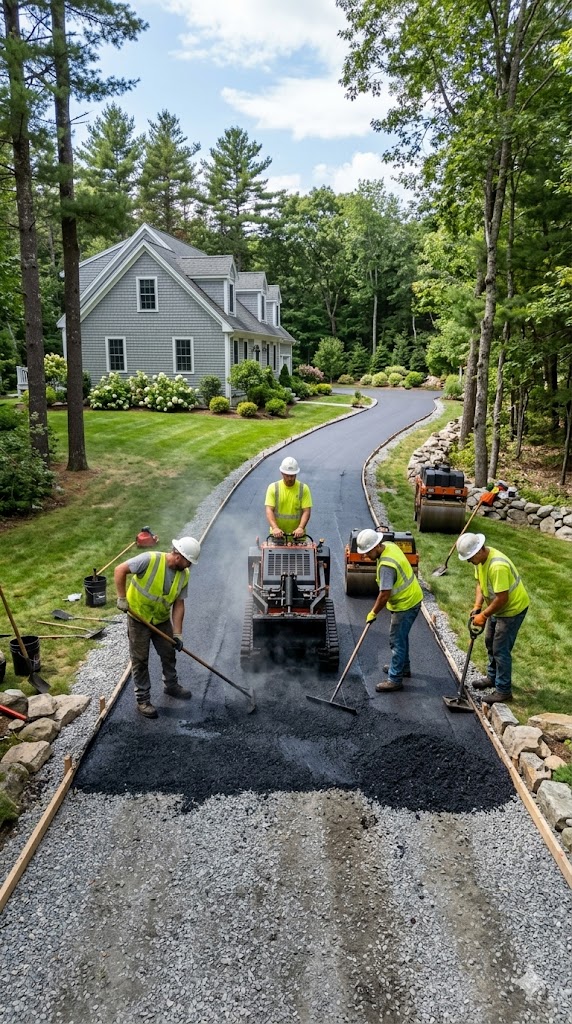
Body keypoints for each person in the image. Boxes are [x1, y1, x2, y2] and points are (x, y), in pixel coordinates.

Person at [114, 536, 201, 719]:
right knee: (140, 659)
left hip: (161, 620)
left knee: (169, 653)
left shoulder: (184, 575)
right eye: (188, 561)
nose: (189, 566)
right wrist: (122, 598)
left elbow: (179, 605)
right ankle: (143, 700)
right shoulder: (149, 559)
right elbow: (119, 570)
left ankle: (171, 685)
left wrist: (177, 633)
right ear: (178, 555)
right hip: (138, 618)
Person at [456, 532, 529, 705]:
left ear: (480, 550)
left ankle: (504, 691)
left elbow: (502, 598)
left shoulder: (497, 566)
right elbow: (481, 584)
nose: (469, 561)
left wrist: (484, 615)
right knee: (490, 641)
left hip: (512, 610)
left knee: (500, 649)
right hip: (497, 608)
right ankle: (492, 677)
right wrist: (477, 607)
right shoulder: (480, 560)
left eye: (470, 557)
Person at [357, 528, 423, 692]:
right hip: (412, 598)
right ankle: (403, 668)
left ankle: (395, 679)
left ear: (376, 546)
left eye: (367, 552)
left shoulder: (387, 565)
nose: (365, 556)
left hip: (405, 604)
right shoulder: (388, 545)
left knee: (396, 641)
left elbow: (384, 594)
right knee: (402, 637)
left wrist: (373, 613)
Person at [265, 456, 312, 539]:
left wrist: (301, 527)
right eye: (287, 475)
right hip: (277, 536)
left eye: (292, 475)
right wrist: (275, 528)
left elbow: (306, 511)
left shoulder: (304, 488)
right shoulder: (273, 488)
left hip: (298, 536)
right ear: (282, 473)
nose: (290, 478)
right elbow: (269, 510)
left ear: (296, 474)